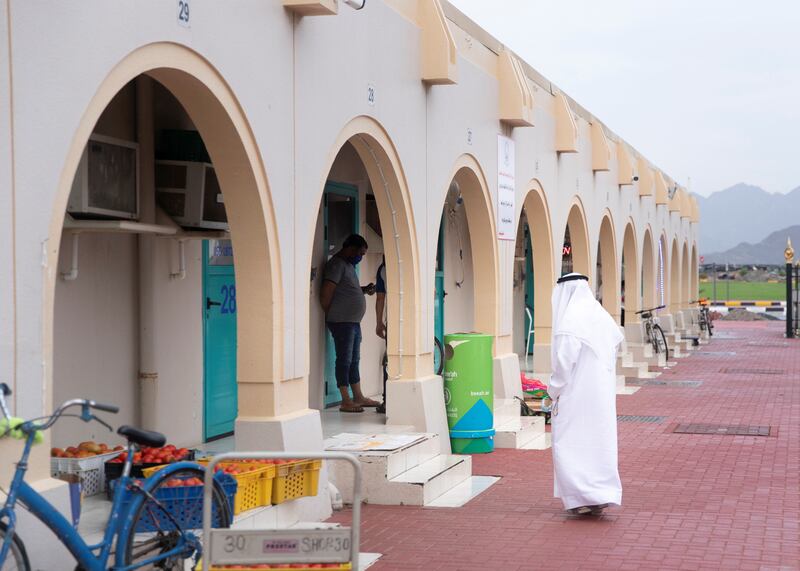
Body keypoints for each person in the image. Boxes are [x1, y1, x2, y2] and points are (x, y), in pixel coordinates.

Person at [549, 273, 624, 515]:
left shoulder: (570, 322)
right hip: (600, 396)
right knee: (597, 442)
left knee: (569, 443)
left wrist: (553, 390)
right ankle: (599, 494)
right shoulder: (599, 315)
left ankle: (581, 496)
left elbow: (563, 365)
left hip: (575, 396)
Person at [320, 234, 380, 413]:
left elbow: (344, 290)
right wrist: (333, 313)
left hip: (352, 322)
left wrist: (362, 290)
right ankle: (346, 400)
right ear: (350, 248)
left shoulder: (348, 266)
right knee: (344, 360)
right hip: (342, 322)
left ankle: (358, 396)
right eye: (360, 253)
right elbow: (326, 293)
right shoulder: (337, 265)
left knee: (354, 359)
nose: (360, 257)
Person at [374, 256, 388, 414]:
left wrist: (379, 322)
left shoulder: (383, 269)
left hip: (394, 321)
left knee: (390, 360)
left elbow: (380, 298)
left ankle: (388, 401)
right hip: (415, 322)